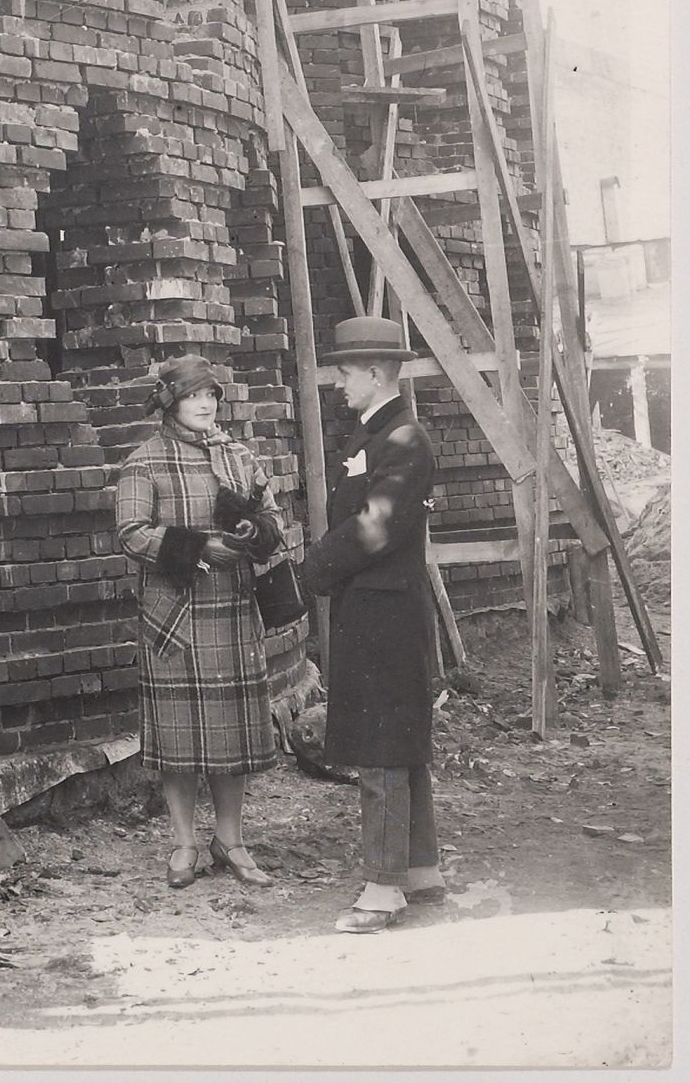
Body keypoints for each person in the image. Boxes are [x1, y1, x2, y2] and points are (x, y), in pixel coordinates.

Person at [115, 353, 286, 889]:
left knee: (230, 737)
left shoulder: (239, 457)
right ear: (169, 403)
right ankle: (184, 843)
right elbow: (130, 534)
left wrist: (252, 536)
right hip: (174, 620)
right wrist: (196, 547)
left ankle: (230, 842)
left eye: (210, 395)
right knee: (182, 740)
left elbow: (274, 519)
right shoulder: (144, 462)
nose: (204, 404)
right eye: (191, 396)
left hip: (233, 610)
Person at [299, 315, 445, 933]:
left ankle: (383, 890)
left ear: (378, 372)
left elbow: (375, 528)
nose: (338, 384)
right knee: (397, 734)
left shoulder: (404, 439)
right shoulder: (376, 435)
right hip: (374, 608)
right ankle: (418, 868)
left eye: (344, 371)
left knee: (385, 741)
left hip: (386, 611)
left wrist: (308, 574)